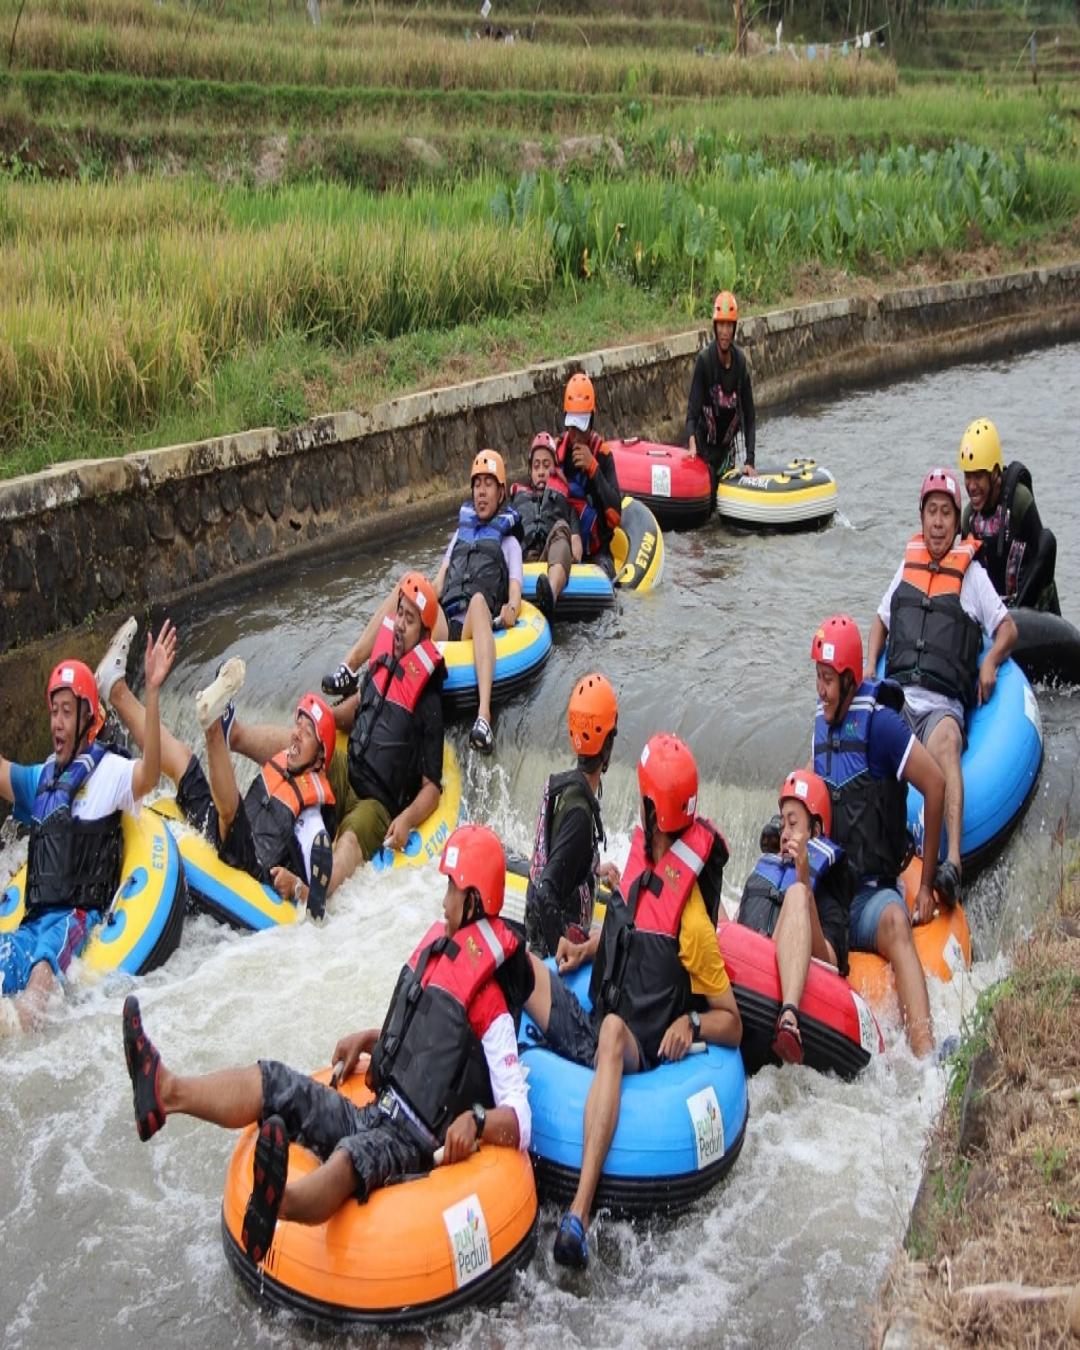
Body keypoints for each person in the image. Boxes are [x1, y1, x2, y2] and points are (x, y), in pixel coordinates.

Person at [121, 825, 532, 1265]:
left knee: (349, 1158)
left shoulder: (490, 1007)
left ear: (472, 900)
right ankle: (165, 1091)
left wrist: (475, 1120)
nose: (443, 900)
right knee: (276, 1081)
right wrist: (371, 1039)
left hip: (411, 1144)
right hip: (377, 1110)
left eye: (451, 888)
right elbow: (425, 1051)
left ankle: (277, 1205)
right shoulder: (440, 957)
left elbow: (521, 1120)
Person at [520, 733, 741, 1269]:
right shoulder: (641, 858)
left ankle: (579, 1213)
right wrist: (584, 948)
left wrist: (691, 1021)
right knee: (513, 961)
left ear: (650, 805)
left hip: (638, 1045)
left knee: (614, 1031)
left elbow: (731, 1023)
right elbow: (626, 931)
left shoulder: (692, 924)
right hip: (592, 1019)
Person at [227, 573, 445, 902]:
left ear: (424, 634)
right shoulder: (381, 662)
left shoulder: (428, 702)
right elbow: (360, 707)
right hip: (348, 769)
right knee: (303, 740)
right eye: (399, 613)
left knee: (351, 839)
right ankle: (235, 735)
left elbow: (432, 788)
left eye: (409, 620)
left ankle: (310, 890)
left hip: (378, 802)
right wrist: (322, 721)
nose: (399, 624)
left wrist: (405, 819)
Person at [0, 622, 175, 1033]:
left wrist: (151, 692)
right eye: (53, 712)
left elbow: (150, 776)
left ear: (85, 717)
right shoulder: (43, 776)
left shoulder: (109, 771)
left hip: (75, 918)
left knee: (41, 977)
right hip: (32, 920)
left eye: (66, 712)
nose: (57, 723)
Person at [98, 620, 337, 919]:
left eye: (308, 732)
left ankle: (214, 728)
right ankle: (114, 689)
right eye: (297, 725)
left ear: (319, 758)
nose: (296, 734)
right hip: (222, 831)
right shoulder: (280, 764)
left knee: (231, 815)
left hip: (251, 864)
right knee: (183, 763)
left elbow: (319, 901)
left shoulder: (312, 817)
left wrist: (297, 886)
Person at [866, 468, 1018, 904]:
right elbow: (879, 621)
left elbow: (1007, 629)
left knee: (949, 742)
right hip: (898, 699)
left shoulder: (971, 577)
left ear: (957, 522)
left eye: (946, 514)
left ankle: (952, 861)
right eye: (931, 512)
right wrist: (870, 670)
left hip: (937, 710)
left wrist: (990, 660)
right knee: (846, 725)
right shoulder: (906, 567)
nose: (937, 523)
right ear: (922, 517)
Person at [811, 614, 947, 1058]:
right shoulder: (820, 725)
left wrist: (925, 886)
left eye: (828, 679)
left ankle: (925, 1053)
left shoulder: (882, 726)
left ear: (850, 679)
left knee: (895, 925)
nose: (821, 689)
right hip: (832, 892)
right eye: (817, 677)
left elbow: (935, 784)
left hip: (872, 895)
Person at [736, 769, 853, 1065]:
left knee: (798, 893)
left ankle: (789, 1018)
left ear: (814, 831)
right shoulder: (766, 870)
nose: (785, 833)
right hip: (748, 969)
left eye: (793, 823)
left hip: (789, 980)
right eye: (782, 824)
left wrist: (803, 876)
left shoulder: (829, 881)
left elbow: (831, 960)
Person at [435, 449, 523, 755]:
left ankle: (483, 715)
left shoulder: (509, 544)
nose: (481, 492)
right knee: (409, 588)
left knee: (475, 601)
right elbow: (437, 583)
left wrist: (511, 609)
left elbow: (515, 593)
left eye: (488, 484)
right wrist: (415, 594)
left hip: (477, 622)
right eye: (477, 484)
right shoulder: (460, 535)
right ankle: (358, 670)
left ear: (501, 492)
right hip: (446, 625)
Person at [525, 673, 618, 958]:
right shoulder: (579, 815)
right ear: (608, 744)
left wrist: (589, 867)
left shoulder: (565, 788)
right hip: (551, 954)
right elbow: (546, 892)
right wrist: (562, 953)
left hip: (540, 935)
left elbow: (557, 851)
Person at [958, 417, 1060, 614]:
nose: (971, 486)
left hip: (1030, 603)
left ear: (995, 473)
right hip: (994, 606)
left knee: (1047, 540)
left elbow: (1042, 561)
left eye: (978, 476)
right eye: (967, 476)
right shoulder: (969, 518)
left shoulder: (1020, 500)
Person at [685, 290, 757, 495]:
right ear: (715, 328)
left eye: (729, 326)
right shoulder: (704, 362)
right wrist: (691, 444)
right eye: (721, 325)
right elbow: (691, 413)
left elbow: (750, 416)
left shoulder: (741, 364)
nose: (725, 331)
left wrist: (750, 460)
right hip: (703, 449)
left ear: (734, 329)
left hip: (726, 451)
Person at [509, 431, 583, 625]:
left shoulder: (565, 504)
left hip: (552, 556)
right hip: (523, 561)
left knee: (560, 527)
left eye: (546, 465)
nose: (541, 471)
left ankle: (549, 594)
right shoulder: (516, 501)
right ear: (531, 472)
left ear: (555, 470)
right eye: (536, 466)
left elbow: (576, 545)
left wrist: (573, 559)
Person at [554, 374, 622, 578]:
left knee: (607, 574)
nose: (575, 435)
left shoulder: (603, 455)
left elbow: (616, 515)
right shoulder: (556, 452)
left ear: (591, 421)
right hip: (564, 545)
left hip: (596, 551)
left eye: (580, 428)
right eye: (571, 427)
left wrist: (593, 469)